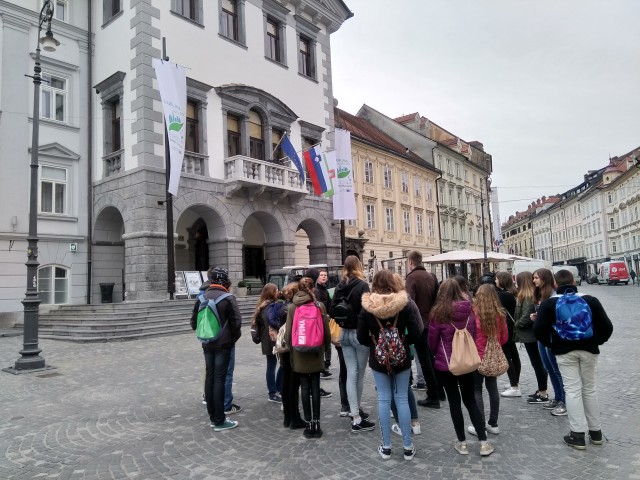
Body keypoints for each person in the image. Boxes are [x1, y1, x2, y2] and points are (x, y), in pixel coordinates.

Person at [534, 269, 613, 449]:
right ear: (574, 282)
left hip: (564, 351)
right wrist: (595, 341)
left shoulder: (549, 304)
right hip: (589, 350)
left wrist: (552, 344)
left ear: (555, 284)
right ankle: (596, 433)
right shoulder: (590, 300)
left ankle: (577, 434)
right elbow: (607, 326)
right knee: (590, 389)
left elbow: (539, 330)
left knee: (572, 390)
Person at [358, 271, 423, 460]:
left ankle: (386, 447)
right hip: (401, 358)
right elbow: (418, 331)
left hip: (378, 360)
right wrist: (402, 341)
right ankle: (408, 447)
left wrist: (376, 344)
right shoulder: (405, 303)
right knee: (401, 398)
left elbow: (361, 337)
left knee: (384, 399)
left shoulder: (368, 306)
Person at [428, 278, 495, 457]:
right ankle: (483, 442)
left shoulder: (437, 313)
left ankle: (462, 443)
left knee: (454, 402)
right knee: (471, 400)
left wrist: (436, 355)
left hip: (447, 364)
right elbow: (472, 335)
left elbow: (432, 341)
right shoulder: (469, 311)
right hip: (467, 363)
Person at [190, 267, 242, 431]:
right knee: (220, 379)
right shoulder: (228, 298)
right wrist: (231, 339)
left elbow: (193, 323)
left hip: (207, 343)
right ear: (224, 281)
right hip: (223, 345)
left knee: (210, 378)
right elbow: (237, 324)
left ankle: (213, 416)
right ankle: (220, 420)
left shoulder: (202, 297)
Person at [329, 255, 376, 433]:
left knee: (350, 373)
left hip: (344, 334)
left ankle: (354, 413)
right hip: (359, 334)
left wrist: (344, 320)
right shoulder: (363, 285)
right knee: (359, 374)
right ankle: (356, 417)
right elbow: (368, 312)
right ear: (358, 266)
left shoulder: (340, 286)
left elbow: (332, 310)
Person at [284, 277, 331, 439]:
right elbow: (326, 331)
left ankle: (309, 424)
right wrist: (326, 350)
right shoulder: (320, 306)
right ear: (312, 289)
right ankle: (317, 424)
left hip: (299, 351)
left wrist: (293, 349)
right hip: (316, 351)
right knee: (315, 386)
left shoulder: (292, 307)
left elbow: (289, 334)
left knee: (304, 387)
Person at [468, 284, 509, 437]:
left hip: (477, 355)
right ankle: (493, 423)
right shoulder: (500, 314)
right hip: (492, 356)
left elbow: (470, 335)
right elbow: (504, 337)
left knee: (477, 389)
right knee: (492, 388)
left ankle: (480, 425)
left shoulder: (474, 313)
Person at [404, 250, 443, 408]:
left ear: (410, 262)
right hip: (431, 322)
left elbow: (408, 302)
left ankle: (433, 395)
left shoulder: (411, 277)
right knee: (431, 358)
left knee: (424, 360)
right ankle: (440, 391)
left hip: (417, 324)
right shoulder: (430, 277)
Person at [533, 268, 566, 415]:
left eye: (536, 278)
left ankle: (564, 401)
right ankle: (558, 397)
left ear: (544, 279)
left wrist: (540, 317)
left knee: (557, 369)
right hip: (543, 336)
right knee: (549, 368)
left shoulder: (554, 295)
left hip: (552, 335)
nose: (534, 281)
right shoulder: (540, 295)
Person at [514, 271, 550, 404]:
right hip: (531, 334)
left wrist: (517, 324)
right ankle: (542, 390)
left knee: (538, 364)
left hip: (531, 335)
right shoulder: (530, 295)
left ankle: (543, 392)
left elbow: (527, 316)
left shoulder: (529, 296)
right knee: (538, 364)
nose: (534, 280)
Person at [277, 282, 306, 430]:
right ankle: (294, 417)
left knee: (286, 382)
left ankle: (288, 417)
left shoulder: (283, 307)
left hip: (284, 349)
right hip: (292, 349)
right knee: (293, 384)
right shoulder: (293, 308)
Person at [252, 283, 283, 403]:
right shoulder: (269, 306)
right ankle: (274, 391)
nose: (278, 292)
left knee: (273, 364)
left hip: (267, 340)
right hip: (270, 339)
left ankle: (275, 389)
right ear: (271, 292)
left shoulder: (263, 305)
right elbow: (271, 323)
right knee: (276, 364)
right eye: (276, 290)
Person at [494, 272, 521, 398]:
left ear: (502, 281)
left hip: (506, 327)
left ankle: (514, 386)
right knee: (513, 354)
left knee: (508, 356)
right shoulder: (512, 292)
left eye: (496, 279)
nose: (495, 281)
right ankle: (515, 382)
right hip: (511, 327)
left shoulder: (502, 295)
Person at [312, 268, 333, 379]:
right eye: (322, 275)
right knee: (322, 342)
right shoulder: (316, 290)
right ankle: (322, 367)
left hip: (326, 318)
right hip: (320, 319)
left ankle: (326, 364)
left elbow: (328, 303)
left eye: (325, 275)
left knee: (327, 341)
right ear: (317, 277)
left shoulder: (325, 289)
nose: (324, 277)